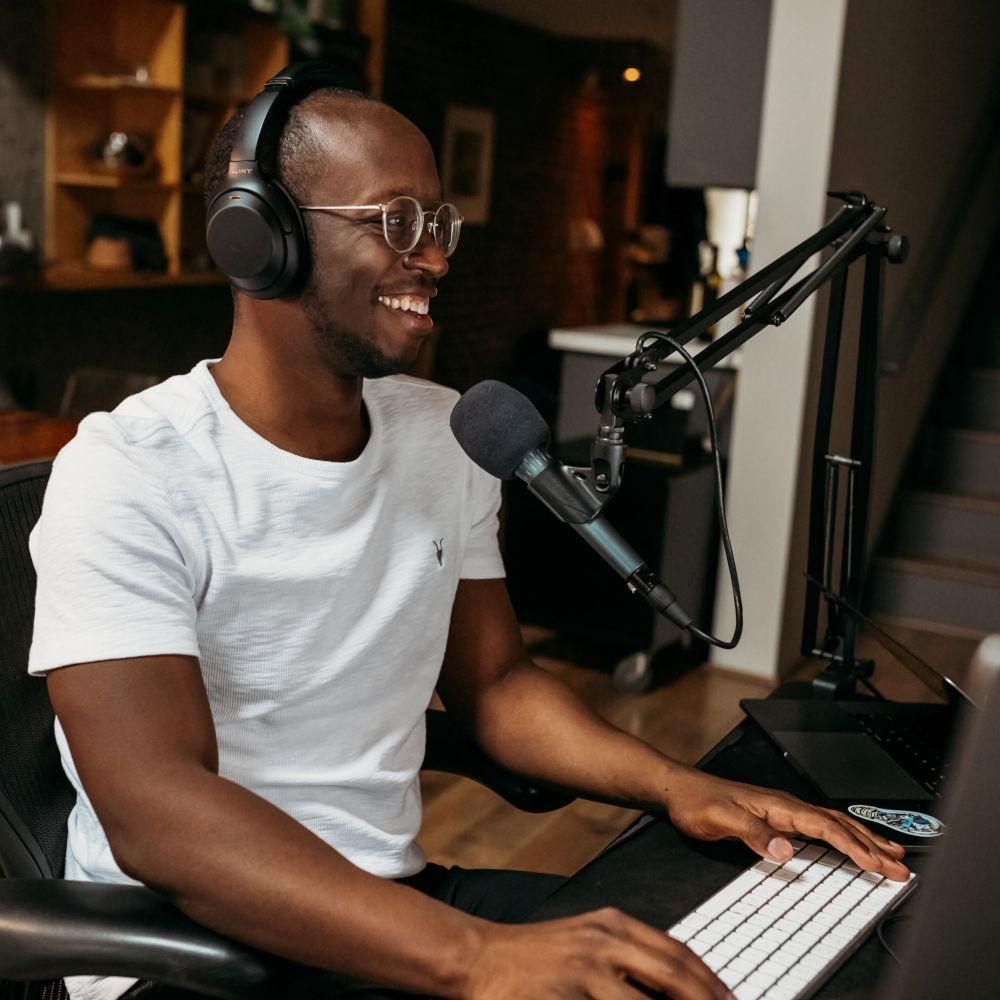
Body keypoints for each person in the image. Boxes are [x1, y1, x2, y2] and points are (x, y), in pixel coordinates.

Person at [28, 82, 908, 1000]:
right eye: (397, 221)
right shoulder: (130, 472)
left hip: (390, 906)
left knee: (713, 963)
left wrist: (676, 784)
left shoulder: (441, 436)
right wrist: (477, 956)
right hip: (185, 953)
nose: (437, 258)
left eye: (439, 222)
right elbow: (157, 815)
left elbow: (497, 687)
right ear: (260, 237)